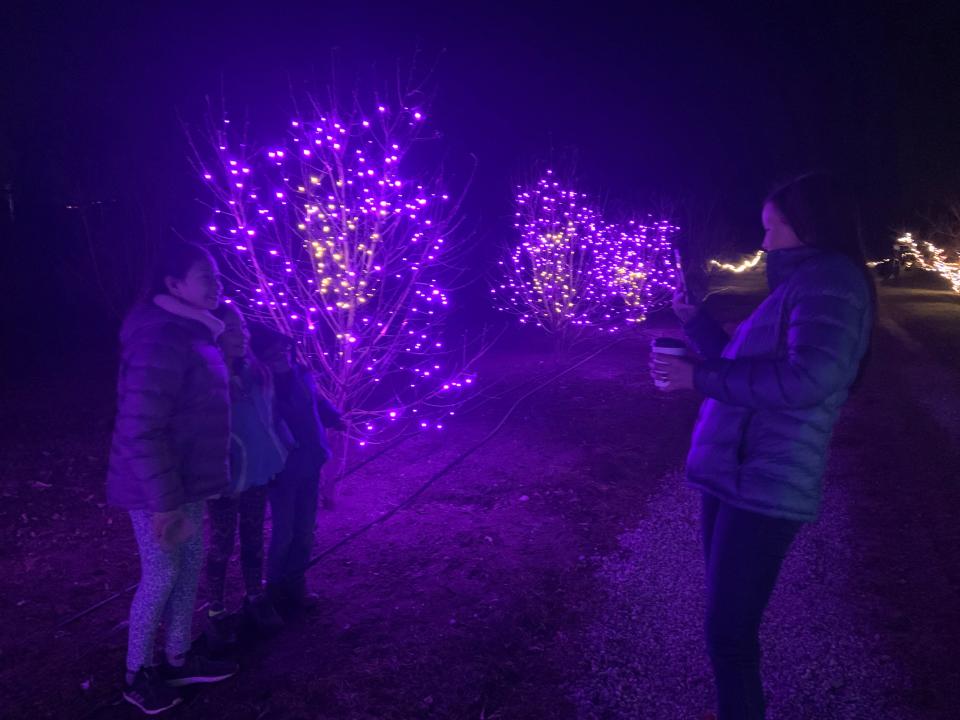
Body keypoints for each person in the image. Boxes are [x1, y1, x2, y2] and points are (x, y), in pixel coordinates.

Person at [652, 173, 875, 720]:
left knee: (729, 636)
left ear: (808, 226)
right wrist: (698, 326)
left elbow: (808, 379)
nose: (765, 241)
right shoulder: (804, 284)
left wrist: (698, 380)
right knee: (725, 627)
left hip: (765, 481)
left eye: (772, 227)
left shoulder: (831, 281)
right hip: (739, 475)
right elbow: (754, 366)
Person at [107, 242, 239, 715]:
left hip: (188, 482)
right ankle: (137, 674)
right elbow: (141, 427)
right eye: (206, 276)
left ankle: (178, 656)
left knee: (188, 567)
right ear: (174, 285)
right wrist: (163, 502)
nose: (217, 284)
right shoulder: (160, 338)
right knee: (162, 574)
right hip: (155, 487)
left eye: (218, 276)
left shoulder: (195, 333)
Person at [204, 304, 288, 648]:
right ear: (216, 334)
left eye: (243, 328)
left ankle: (255, 596)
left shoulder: (255, 373)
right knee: (222, 544)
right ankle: (216, 611)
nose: (242, 335)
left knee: (253, 536)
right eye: (233, 329)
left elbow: (266, 419)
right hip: (224, 480)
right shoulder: (209, 378)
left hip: (255, 472)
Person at [250, 327, 345, 613]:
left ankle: (296, 582)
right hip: (282, 468)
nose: (283, 353)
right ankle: (275, 587)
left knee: (305, 529)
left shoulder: (301, 374)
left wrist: (332, 417)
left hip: (311, 459)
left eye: (285, 347)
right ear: (262, 355)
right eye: (274, 349)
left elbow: (316, 402)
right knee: (285, 530)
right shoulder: (259, 385)